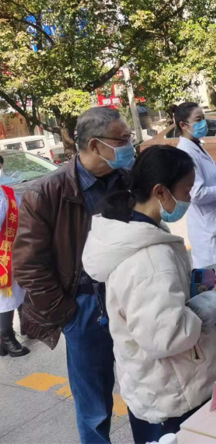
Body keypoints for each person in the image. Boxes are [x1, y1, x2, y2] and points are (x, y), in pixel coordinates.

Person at [82, 146, 216, 444]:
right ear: (160, 191)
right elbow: (166, 336)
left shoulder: (135, 229)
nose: (189, 198)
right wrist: (207, 306)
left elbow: (158, 302)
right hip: (175, 394)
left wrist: (194, 284)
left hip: (155, 386)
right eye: (186, 190)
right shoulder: (149, 259)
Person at [14, 107, 133, 443]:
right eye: (123, 139)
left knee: (144, 382)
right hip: (85, 306)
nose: (130, 146)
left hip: (131, 294)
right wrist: (67, 313)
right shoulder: (46, 193)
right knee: (94, 403)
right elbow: (29, 265)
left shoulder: (126, 178)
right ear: (95, 145)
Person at [172, 102, 216, 268]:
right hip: (209, 231)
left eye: (203, 118)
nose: (203, 123)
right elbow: (196, 193)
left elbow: (206, 179)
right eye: (198, 119)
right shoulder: (186, 152)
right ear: (183, 125)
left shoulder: (197, 145)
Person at [0, 155, 29, 358]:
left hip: (12, 250)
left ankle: (27, 324)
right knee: (4, 294)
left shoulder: (7, 192)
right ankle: (6, 336)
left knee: (18, 289)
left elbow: (21, 217)